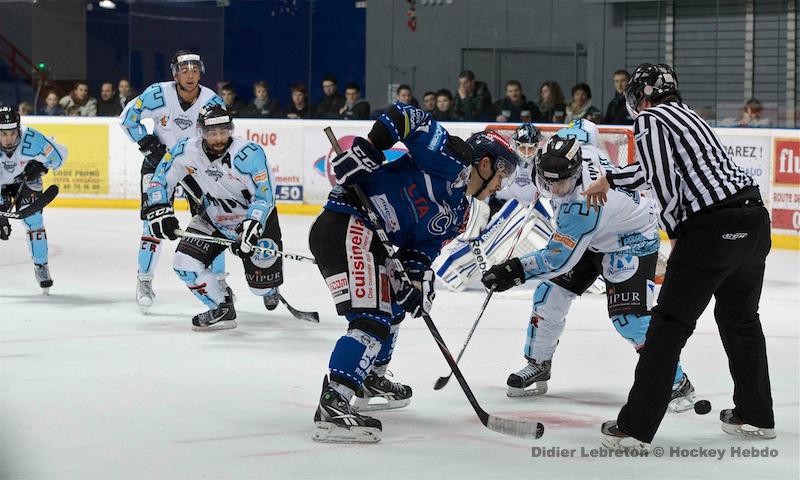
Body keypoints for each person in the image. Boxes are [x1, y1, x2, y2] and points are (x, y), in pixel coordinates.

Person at [581, 63, 774, 450]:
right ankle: (756, 415)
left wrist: (676, 235)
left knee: (667, 327)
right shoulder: (690, 117)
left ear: (641, 95)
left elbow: (661, 180)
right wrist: (612, 179)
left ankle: (635, 427)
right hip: (753, 223)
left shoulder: (650, 119)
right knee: (740, 320)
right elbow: (656, 169)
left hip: (710, 231)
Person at [309, 101, 520, 443]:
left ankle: (369, 377)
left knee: (394, 305)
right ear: (484, 164)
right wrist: (370, 149)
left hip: (372, 239)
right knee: (371, 319)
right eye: (501, 175)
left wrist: (415, 279)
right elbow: (406, 116)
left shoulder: (459, 214)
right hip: (349, 221)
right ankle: (334, 403)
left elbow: (423, 249)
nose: (500, 185)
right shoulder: (451, 158)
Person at [481, 121, 694, 412]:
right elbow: (585, 126)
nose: (554, 189)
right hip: (589, 238)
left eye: (561, 183)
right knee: (548, 296)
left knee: (630, 320)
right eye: (547, 182)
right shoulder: (578, 148)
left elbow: (557, 260)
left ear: (576, 173)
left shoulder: (583, 205)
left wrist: (513, 270)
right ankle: (538, 363)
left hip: (627, 241)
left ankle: (675, 380)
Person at [142, 106, 283, 329]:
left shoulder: (249, 154)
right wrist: (160, 207)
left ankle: (269, 288)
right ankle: (221, 307)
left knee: (261, 288)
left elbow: (265, 196)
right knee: (184, 263)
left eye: (223, 132)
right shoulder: (185, 151)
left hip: (254, 222)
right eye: (212, 133)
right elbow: (159, 179)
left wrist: (252, 225)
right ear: (201, 132)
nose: (218, 139)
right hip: (213, 217)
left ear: (231, 130)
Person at [120, 50, 226, 310]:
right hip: (158, 165)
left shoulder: (212, 101)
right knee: (152, 223)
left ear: (201, 72)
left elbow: (221, 136)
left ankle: (219, 281)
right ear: (175, 74)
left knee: (212, 223)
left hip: (195, 168)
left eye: (195, 70)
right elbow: (127, 119)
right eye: (184, 70)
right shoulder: (158, 93)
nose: (190, 75)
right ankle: (144, 281)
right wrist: (148, 144)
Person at [0, 106, 67, 292]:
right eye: (3, 134)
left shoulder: (31, 138)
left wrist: (41, 167)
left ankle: (41, 265)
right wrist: (2, 216)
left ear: (18, 129)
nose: (8, 139)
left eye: (12, 133)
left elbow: (59, 157)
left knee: (34, 221)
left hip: (26, 181)